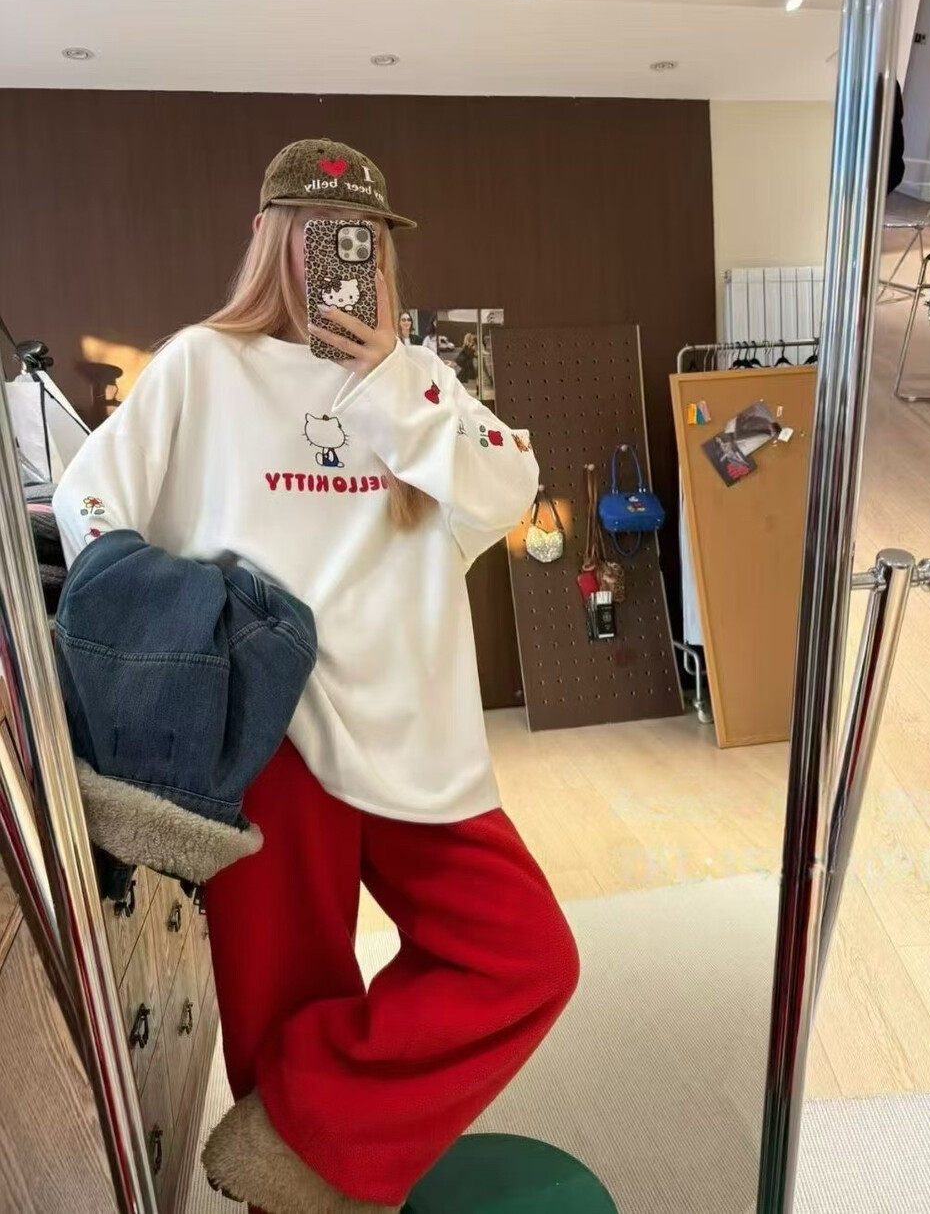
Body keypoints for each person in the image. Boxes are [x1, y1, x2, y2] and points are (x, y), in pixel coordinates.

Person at [52, 138, 579, 1214]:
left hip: (416, 735)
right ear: (269, 238)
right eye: (317, 232)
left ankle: (303, 1129)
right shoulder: (202, 364)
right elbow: (88, 500)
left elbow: (506, 489)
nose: (342, 254)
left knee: (525, 955)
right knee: (280, 999)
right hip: (268, 735)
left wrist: (389, 376)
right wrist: (175, 616)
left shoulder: (418, 377)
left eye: (363, 237)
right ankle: (289, 1182)